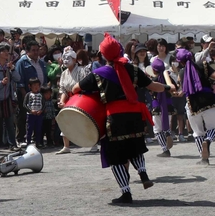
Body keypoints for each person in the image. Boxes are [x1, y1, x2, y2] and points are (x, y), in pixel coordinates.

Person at [71, 33, 170, 205]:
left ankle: (126, 193)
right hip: (134, 116)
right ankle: (143, 173)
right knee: (135, 147)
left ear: (103, 55)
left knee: (115, 157)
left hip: (114, 119)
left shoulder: (98, 74)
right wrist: (169, 87)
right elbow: (154, 86)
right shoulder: (133, 69)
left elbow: (75, 88)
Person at [176, 48, 215, 165]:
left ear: (181, 62)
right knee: (214, 129)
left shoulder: (181, 72)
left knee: (198, 132)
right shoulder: (203, 65)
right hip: (208, 101)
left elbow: (181, 92)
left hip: (192, 105)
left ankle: (204, 159)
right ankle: (208, 140)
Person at [56, 48, 88, 154]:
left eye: (68, 58)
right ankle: (66, 146)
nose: (65, 60)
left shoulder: (81, 71)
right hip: (69, 98)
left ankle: (93, 143)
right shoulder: (64, 73)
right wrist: (62, 101)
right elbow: (63, 89)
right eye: (64, 58)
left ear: (74, 60)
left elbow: (84, 86)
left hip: (80, 98)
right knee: (66, 120)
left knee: (85, 121)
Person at [148, 57, 179, 157]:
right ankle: (168, 133)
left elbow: (150, 90)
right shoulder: (168, 78)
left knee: (157, 129)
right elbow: (175, 87)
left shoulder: (154, 80)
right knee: (166, 125)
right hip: (168, 105)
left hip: (157, 105)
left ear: (153, 69)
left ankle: (165, 149)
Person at [24, 78, 44, 146]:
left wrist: (41, 111)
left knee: (38, 129)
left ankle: (38, 143)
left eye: (38, 85)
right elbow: (24, 104)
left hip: (39, 115)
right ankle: (28, 142)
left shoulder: (41, 95)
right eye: (34, 85)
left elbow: (44, 104)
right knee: (29, 129)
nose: (36, 87)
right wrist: (30, 111)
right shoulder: (28, 94)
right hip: (30, 115)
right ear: (30, 86)